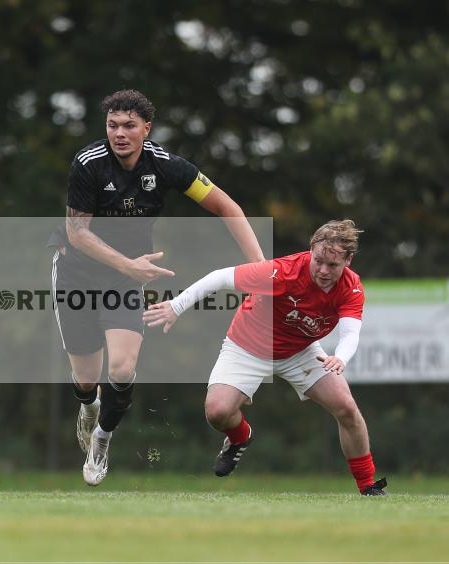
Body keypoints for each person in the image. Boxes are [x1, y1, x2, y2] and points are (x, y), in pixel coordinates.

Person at [49, 89, 265, 486]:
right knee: (85, 380)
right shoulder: (88, 163)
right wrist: (128, 264)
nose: (120, 133)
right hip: (78, 272)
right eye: (113, 125)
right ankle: (88, 405)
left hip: (127, 277)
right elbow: (76, 233)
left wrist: (260, 267)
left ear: (147, 129)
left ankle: (102, 439)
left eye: (130, 125)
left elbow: (227, 207)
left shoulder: (165, 165)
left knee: (123, 367)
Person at [143, 219, 387, 495]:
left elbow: (351, 333)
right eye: (318, 260)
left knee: (346, 407)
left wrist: (340, 358)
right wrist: (176, 306)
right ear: (311, 250)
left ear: (349, 260)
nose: (323, 270)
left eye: (332, 265)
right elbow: (221, 277)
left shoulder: (351, 287)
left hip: (300, 352)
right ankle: (239, 437)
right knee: (217, 412)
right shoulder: (283, 272)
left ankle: (368, 486)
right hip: (246, 346)